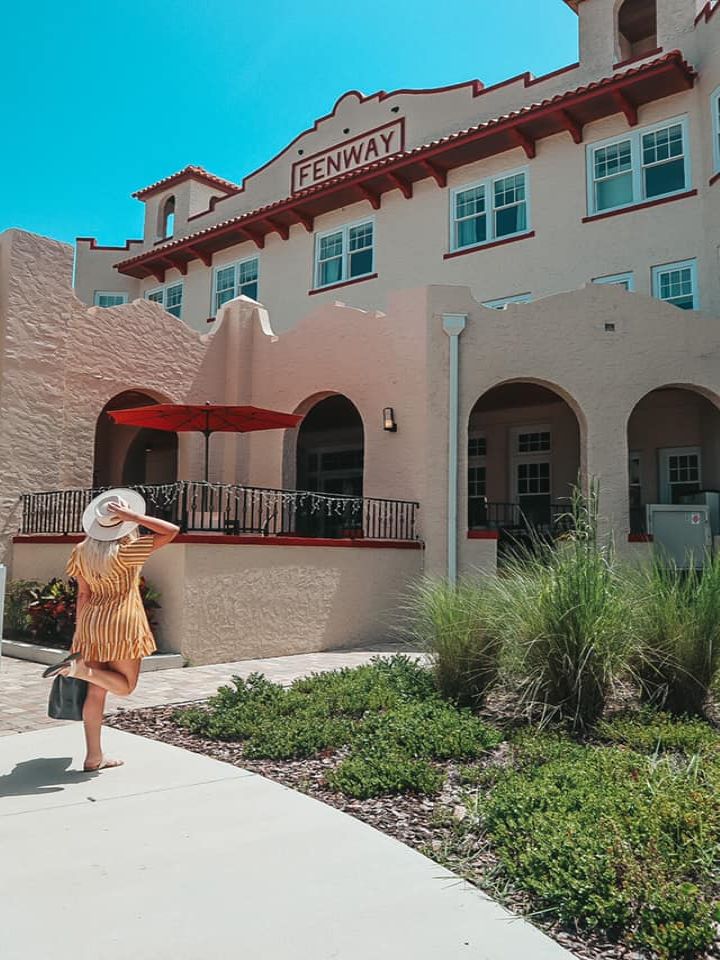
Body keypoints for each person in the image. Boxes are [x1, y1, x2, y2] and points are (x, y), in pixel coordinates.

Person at [42, 489, 179, 772]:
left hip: (92, 622)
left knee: (97, 692)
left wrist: (79, 636)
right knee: (125, 687)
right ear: (124, 523)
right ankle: (82, 671)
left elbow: (83, 595)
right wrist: (132, 515)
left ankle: (94, 757)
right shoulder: (128, 550)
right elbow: (171, 531)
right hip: (123, 621)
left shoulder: (81, 551)